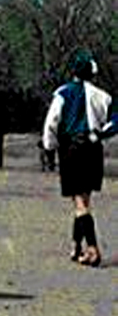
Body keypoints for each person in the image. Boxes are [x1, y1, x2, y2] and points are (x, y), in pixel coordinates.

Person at [42, 48, 115, 268]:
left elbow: (52, 121)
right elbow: (115, 121)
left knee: (80, 202)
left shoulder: (63, 93)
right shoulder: (104, 96)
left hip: (71, 149)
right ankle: (75, 246)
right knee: (82, 200)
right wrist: (101, 134)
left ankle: (92, 250)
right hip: (93, 148)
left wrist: (49, 146)